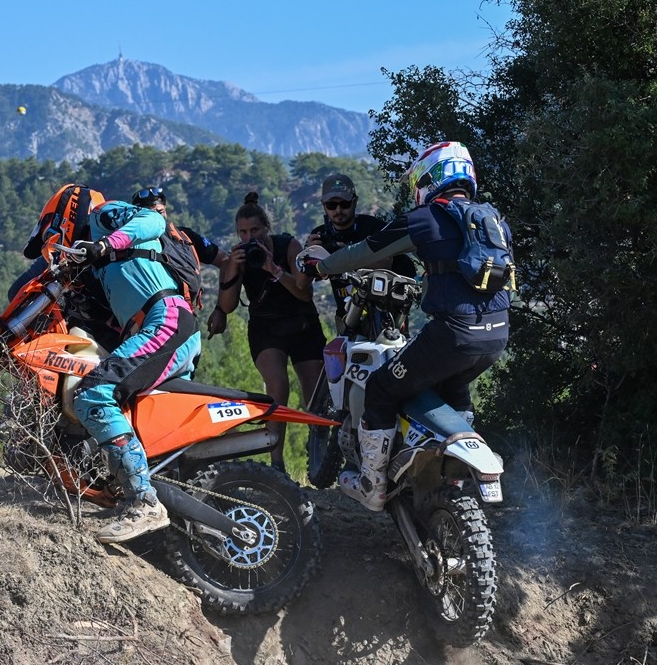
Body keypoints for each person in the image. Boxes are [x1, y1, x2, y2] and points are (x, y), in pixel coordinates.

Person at [300, 142, 512, 511]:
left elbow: (366, 251)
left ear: (430, 178)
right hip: (496, 336)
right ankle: (451, 478)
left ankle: (373, 482)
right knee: (451, 386)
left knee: (382, 387)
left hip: (452, 334)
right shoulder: (493, 221)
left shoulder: (427, 217)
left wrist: (322, 265)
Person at [70, 200, 203, 543]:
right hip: (165, 328)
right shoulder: (92, 262)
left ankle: (144, 503)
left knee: (94, 392)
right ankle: (171, 523)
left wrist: (105, 243)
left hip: (165, 321)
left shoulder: (104, 215)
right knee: (150, 433)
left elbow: (152, 221)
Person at [216, 192, 324, 471]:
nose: (249, 237)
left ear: (267, 228)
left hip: (301, 322)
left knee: (315, 396)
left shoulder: (288, 246)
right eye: (242, 232)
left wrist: (272, 268)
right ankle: (277, 463)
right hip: (266, 326)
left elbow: (304, 293)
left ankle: (320, 457)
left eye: (254, 230)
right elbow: (227, 306)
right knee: (278, 387)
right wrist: (232, 270)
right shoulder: (237, 257)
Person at [7, 184, 119, 348]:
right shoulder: (66, 255)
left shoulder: (114, 251)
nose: (51, 248)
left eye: (52, 237)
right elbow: (17, 291)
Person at [306, 173, 416, 332]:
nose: (338, 210)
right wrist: (311, 257)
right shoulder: (319, 236)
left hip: (385, 311)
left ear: (355, 201)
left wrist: (341, 255)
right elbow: (302, 284)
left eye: (344, 204)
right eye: (331, 205)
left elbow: (386, 262)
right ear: (323, 205)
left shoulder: (373, 228)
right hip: (346, 315)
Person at [131, 186, 230, 338]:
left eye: (160, 212)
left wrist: (221, 309)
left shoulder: (185, 237)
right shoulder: (127, 243)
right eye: (151, 213)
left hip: (183, 323)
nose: (157, 218)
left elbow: (225, 261)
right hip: (145, 325)